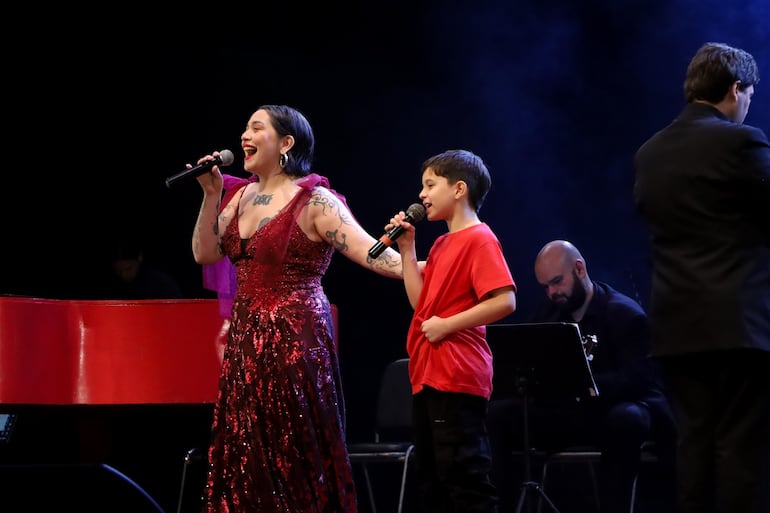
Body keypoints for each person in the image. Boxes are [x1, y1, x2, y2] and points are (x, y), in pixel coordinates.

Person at [187, 104, 404, 513]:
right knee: (247, 448)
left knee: (291, 443)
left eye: (256, 128)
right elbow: (204, 253)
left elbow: (372, 253)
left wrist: (431, 267)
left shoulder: (315, 200)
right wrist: (211, 194)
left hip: (295, 339)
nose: (244, 137)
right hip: (247, 341)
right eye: (244, 128)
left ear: (286, 143)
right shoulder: (238, 196)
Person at [633, 42, 770, 513]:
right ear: (736, 88)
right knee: (740, 450)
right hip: (738, 324)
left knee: (692, 447)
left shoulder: (648, 153)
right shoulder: (742, 141)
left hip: (676, 327)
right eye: (750, 93)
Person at [487, 240, 675, 513]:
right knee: (499, 415)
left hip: (607, 415)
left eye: (557, 282)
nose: (552, 292)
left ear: (579, 269)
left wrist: (586, 387)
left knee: (628, 418)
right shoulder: (548, 314)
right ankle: (500, 507)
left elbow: (640, 379)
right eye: (545, 286)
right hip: (565, 414)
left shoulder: (624, 314)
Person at [387, 148, 518, 513]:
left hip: (457, 372)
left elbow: (505, 301)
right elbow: (420, 304)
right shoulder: (443, 243)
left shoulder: (479, 238)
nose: (422, 195)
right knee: (434, 478)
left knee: (464, 476)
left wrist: (447, 325)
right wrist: (407, 248)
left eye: (430, 185)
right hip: (429, 371)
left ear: (459, 189)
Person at [102, 237, 185, 299]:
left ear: (139, 258)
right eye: (119, 271)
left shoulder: (161, 284)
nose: (124, 275)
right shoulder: (111, 287)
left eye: (128, 268)